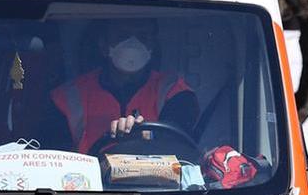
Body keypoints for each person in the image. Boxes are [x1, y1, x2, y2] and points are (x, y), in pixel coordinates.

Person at [47, 20, 197, 154]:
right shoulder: (67, 97)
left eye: (143, 37)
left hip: (156, 182)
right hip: (88, 183)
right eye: (122, 36)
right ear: (104, 45)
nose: (133, 44)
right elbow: (54, 158)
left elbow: (180, 150)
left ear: (152, 46)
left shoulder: (175, 92)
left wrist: (146, 136)